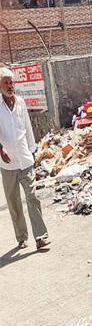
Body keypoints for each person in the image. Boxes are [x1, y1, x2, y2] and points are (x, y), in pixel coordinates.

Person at [0, 68, 50, 250]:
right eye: (6, 82)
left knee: (33, 197)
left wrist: (33, 150)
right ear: (0, 86)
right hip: (7, 164)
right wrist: (1, 149)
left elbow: (28, 128)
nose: (10, 85)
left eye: (11, 82)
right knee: (14, 202)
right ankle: (22, 237)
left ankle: (41, 237)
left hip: (25, 158)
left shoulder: (20, 102)